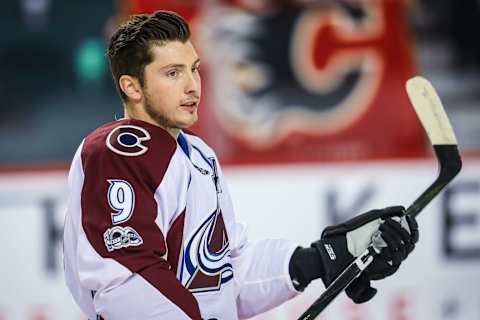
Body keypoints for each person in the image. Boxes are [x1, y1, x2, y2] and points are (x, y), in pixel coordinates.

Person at [63, 10, 419, 320]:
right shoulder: (117, 151)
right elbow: (127, 279)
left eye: (195, 69)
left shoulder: (198, 155)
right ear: (132, 87)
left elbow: (222, 273)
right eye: (172, 73)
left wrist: (316, 260)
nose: (192, 86)